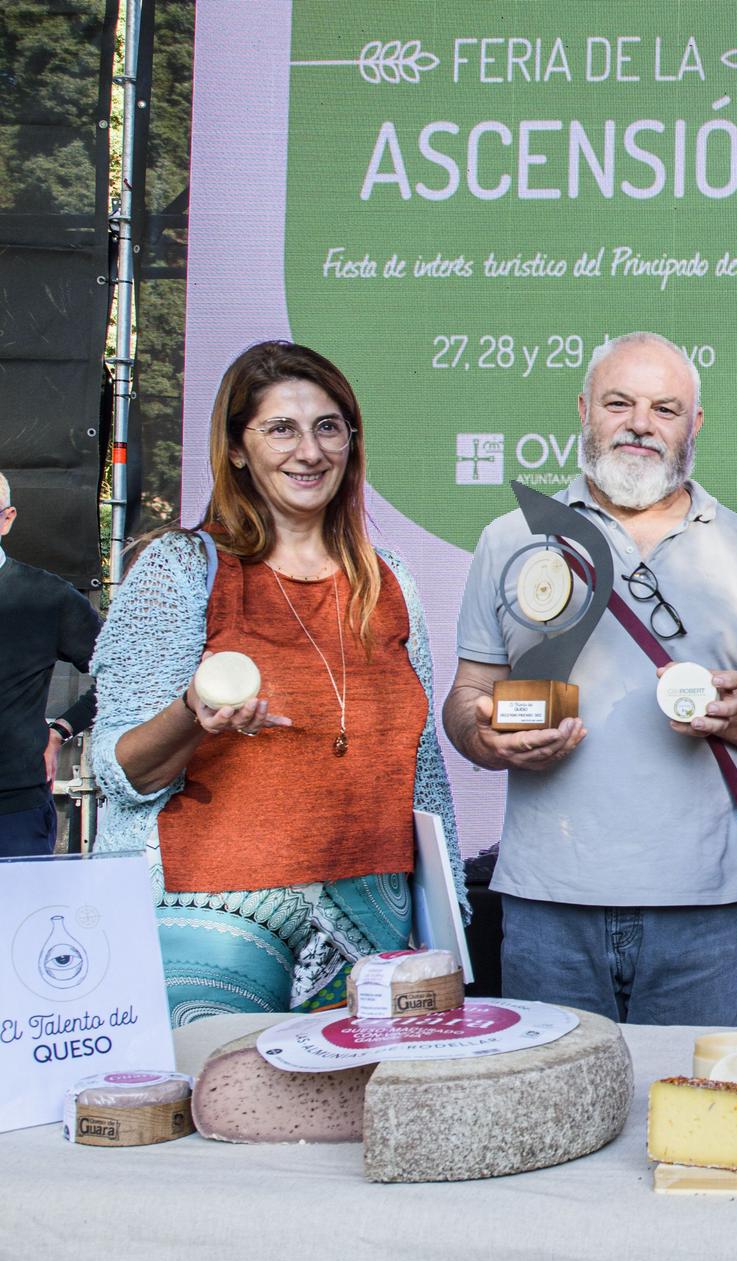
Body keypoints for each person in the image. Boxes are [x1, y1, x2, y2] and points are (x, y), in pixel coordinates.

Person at [92, 342, 466, 1026]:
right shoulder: (181, 570)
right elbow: (117, 767)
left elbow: (423, 768)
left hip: (370, 922)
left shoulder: (388, 581)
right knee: (220, 1112)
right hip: (216, 917)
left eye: (329, 426)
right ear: (237, 447)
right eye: (281, 429)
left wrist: (449, 918)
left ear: (352, 441)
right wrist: (189, 716)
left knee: (353, 1125)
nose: (311, 450)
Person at [446, 331, 737, 1027]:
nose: (641, 423)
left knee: (692, 1123)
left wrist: (729, 711)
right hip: (545, 906)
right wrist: (486, 736)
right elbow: (467, 698)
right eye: (620, 402)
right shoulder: (507, 539)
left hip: (705, 912)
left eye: (665, 408)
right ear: (585, 409)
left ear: (693, 425)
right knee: (552, 1122)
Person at [0, 472, 101, 858]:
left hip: (13, 810)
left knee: (16, 918)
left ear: (7, 519)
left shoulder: (47, 599)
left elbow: (125, 675)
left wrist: (61, 730)